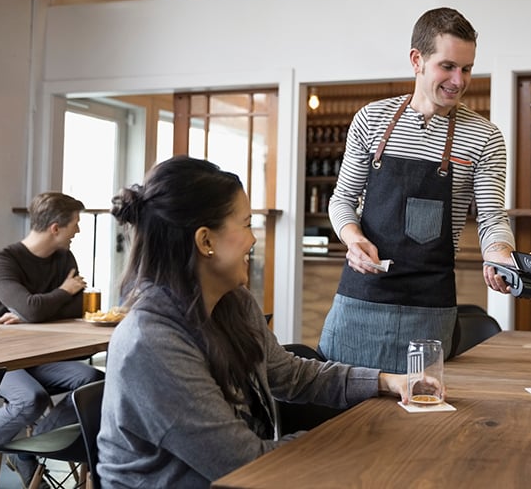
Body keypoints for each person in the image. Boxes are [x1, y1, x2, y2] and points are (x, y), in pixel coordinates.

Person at [98, 156, 409, 488]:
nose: (254, 239)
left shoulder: (234, 302)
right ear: (206, 241)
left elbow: (290, 375)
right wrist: (354, 440)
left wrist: (384, 381)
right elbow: (245, 463)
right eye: (246, 224)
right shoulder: (151, 345)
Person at [319, 7, 516, 372]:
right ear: (417, 60)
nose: (459, 80)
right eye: (448, 66)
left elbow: (491, 217)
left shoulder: (485, 137)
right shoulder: (371, 120)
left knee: (419, 417)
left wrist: (501, 253)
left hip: (430, 308)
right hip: (361, 300)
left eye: (467, 68)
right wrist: (352, 238)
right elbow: (343, 199)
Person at [0, 192, 105, 487]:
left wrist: (29, 311)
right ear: (55, 228)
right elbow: (33, 308)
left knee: (95, 382)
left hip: (36, 356)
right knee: (31, 398)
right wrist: (58, 294)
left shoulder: (63, 259)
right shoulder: (0, 262)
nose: (79, 231)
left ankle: (30, 448)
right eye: (75, 223)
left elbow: (78, 307)